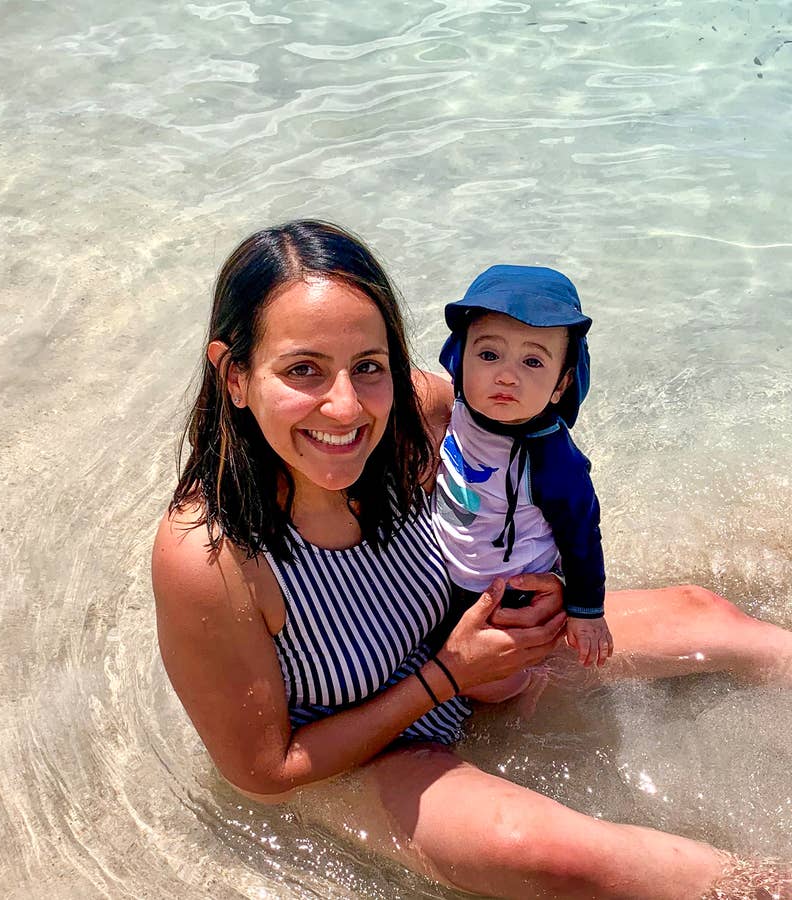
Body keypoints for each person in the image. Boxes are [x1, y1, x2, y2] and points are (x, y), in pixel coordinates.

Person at [152, 219, 792, 898]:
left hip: (471, 654)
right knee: (569, 861)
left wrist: (550, 579)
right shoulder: (211, 555)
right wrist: (446, 676)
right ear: (236, 375)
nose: (344, 406)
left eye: (369, 365)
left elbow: (522, 436)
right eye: (303, 369)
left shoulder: (415, 416)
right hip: (361, 755)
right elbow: (264, 772)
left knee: (711, 617)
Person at [429, 265, 613, 705]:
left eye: (532, 362)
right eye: (488, 355)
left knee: (495, 689)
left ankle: (534, 691)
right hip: (449, 570)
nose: (506, 376)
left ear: (561, 384)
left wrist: (587, 612)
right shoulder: (455, 410)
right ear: (459, 357)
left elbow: (583, 535)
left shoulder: (552, 459)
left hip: (511, 588)